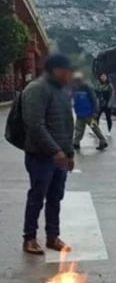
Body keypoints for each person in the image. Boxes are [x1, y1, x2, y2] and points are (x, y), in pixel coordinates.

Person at [20, 54, 76, 255]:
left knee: (55, 197)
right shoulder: (37, 89)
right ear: (55, 70)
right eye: (66, 70)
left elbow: (67, 125)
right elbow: (35, 125)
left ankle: (53, 236)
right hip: (40, 156)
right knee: (37, 196)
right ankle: (30, 238)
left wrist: (69, 153)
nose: (69, 74)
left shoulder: (62, 91)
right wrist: (55, 151)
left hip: (59, 156)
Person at [71, 72, 108, 152]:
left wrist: (95, 112)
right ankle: (76, 143)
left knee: (91, 128)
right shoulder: (76, 87)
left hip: (88, 114)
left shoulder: (85, 87)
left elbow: (94, 100)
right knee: (80, 128)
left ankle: (102, 141)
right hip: (82, 113)